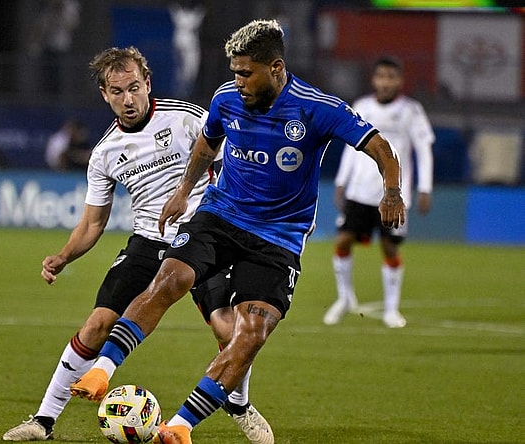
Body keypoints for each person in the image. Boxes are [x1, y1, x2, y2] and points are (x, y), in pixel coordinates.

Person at [69, 20, 406, 444]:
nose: (237, 81)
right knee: (170, 277)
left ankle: (179, 428)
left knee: (249, 336)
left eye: (246, 72)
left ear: (276, 67)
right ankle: (103, 369)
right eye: (233, 71)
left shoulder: (317, 108)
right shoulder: (227, 98)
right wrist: (182, 192)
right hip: (221, 215)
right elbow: (206, 145)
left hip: (279, 237)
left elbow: (380, 147)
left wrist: (392, 191)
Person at [3, 46, 272, 444]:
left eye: (133, 88)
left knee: (230, 329)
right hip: (149, 241)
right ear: (104, 94)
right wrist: (63, 255)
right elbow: (94, 221)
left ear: (148, 83)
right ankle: (43, 420)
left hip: (203, 236)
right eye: (116, 91)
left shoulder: (186, 119)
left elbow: (233, 159)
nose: (127, 100)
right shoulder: (105, 153)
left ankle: (237, 402)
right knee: (96, 325)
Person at [323, 56, 434, 329]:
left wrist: (425, 188)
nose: (386, 82)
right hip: (359, 191)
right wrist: (341, 181)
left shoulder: (411, 110)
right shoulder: (361, 106)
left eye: (391, 77)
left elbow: (423, 150)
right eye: (381, 76)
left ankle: (391, 309)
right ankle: (345, 298)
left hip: (393, 195)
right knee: (343, 241)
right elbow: (351, 147)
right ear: (374, 80)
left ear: (400, 81)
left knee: (389, 247)